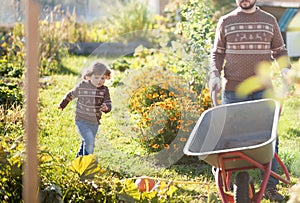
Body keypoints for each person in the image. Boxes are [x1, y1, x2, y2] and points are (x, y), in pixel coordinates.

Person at [209, 0, 291, 201]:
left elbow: (279, 51)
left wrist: (286, 69)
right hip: (233, 90)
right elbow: (217, 53)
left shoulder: (268, 20)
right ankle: (229, 179)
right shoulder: (226, 21)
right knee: (231, 139)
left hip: (263, 90)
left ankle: (270, 186)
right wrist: (214, 75)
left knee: (269, 138)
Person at [58, 61, 112, 157]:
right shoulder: (82, 86)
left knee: (86, 142)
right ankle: (87, 163)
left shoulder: (104, 90)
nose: (99, 81)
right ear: (89, 76)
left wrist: (106, 107)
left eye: (102, 78)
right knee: (89, 141)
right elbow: (71, 95)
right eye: (96, 77)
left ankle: (79, 160)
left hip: (95, 122)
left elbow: (108, 102)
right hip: (81, 120)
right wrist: (63, 104)